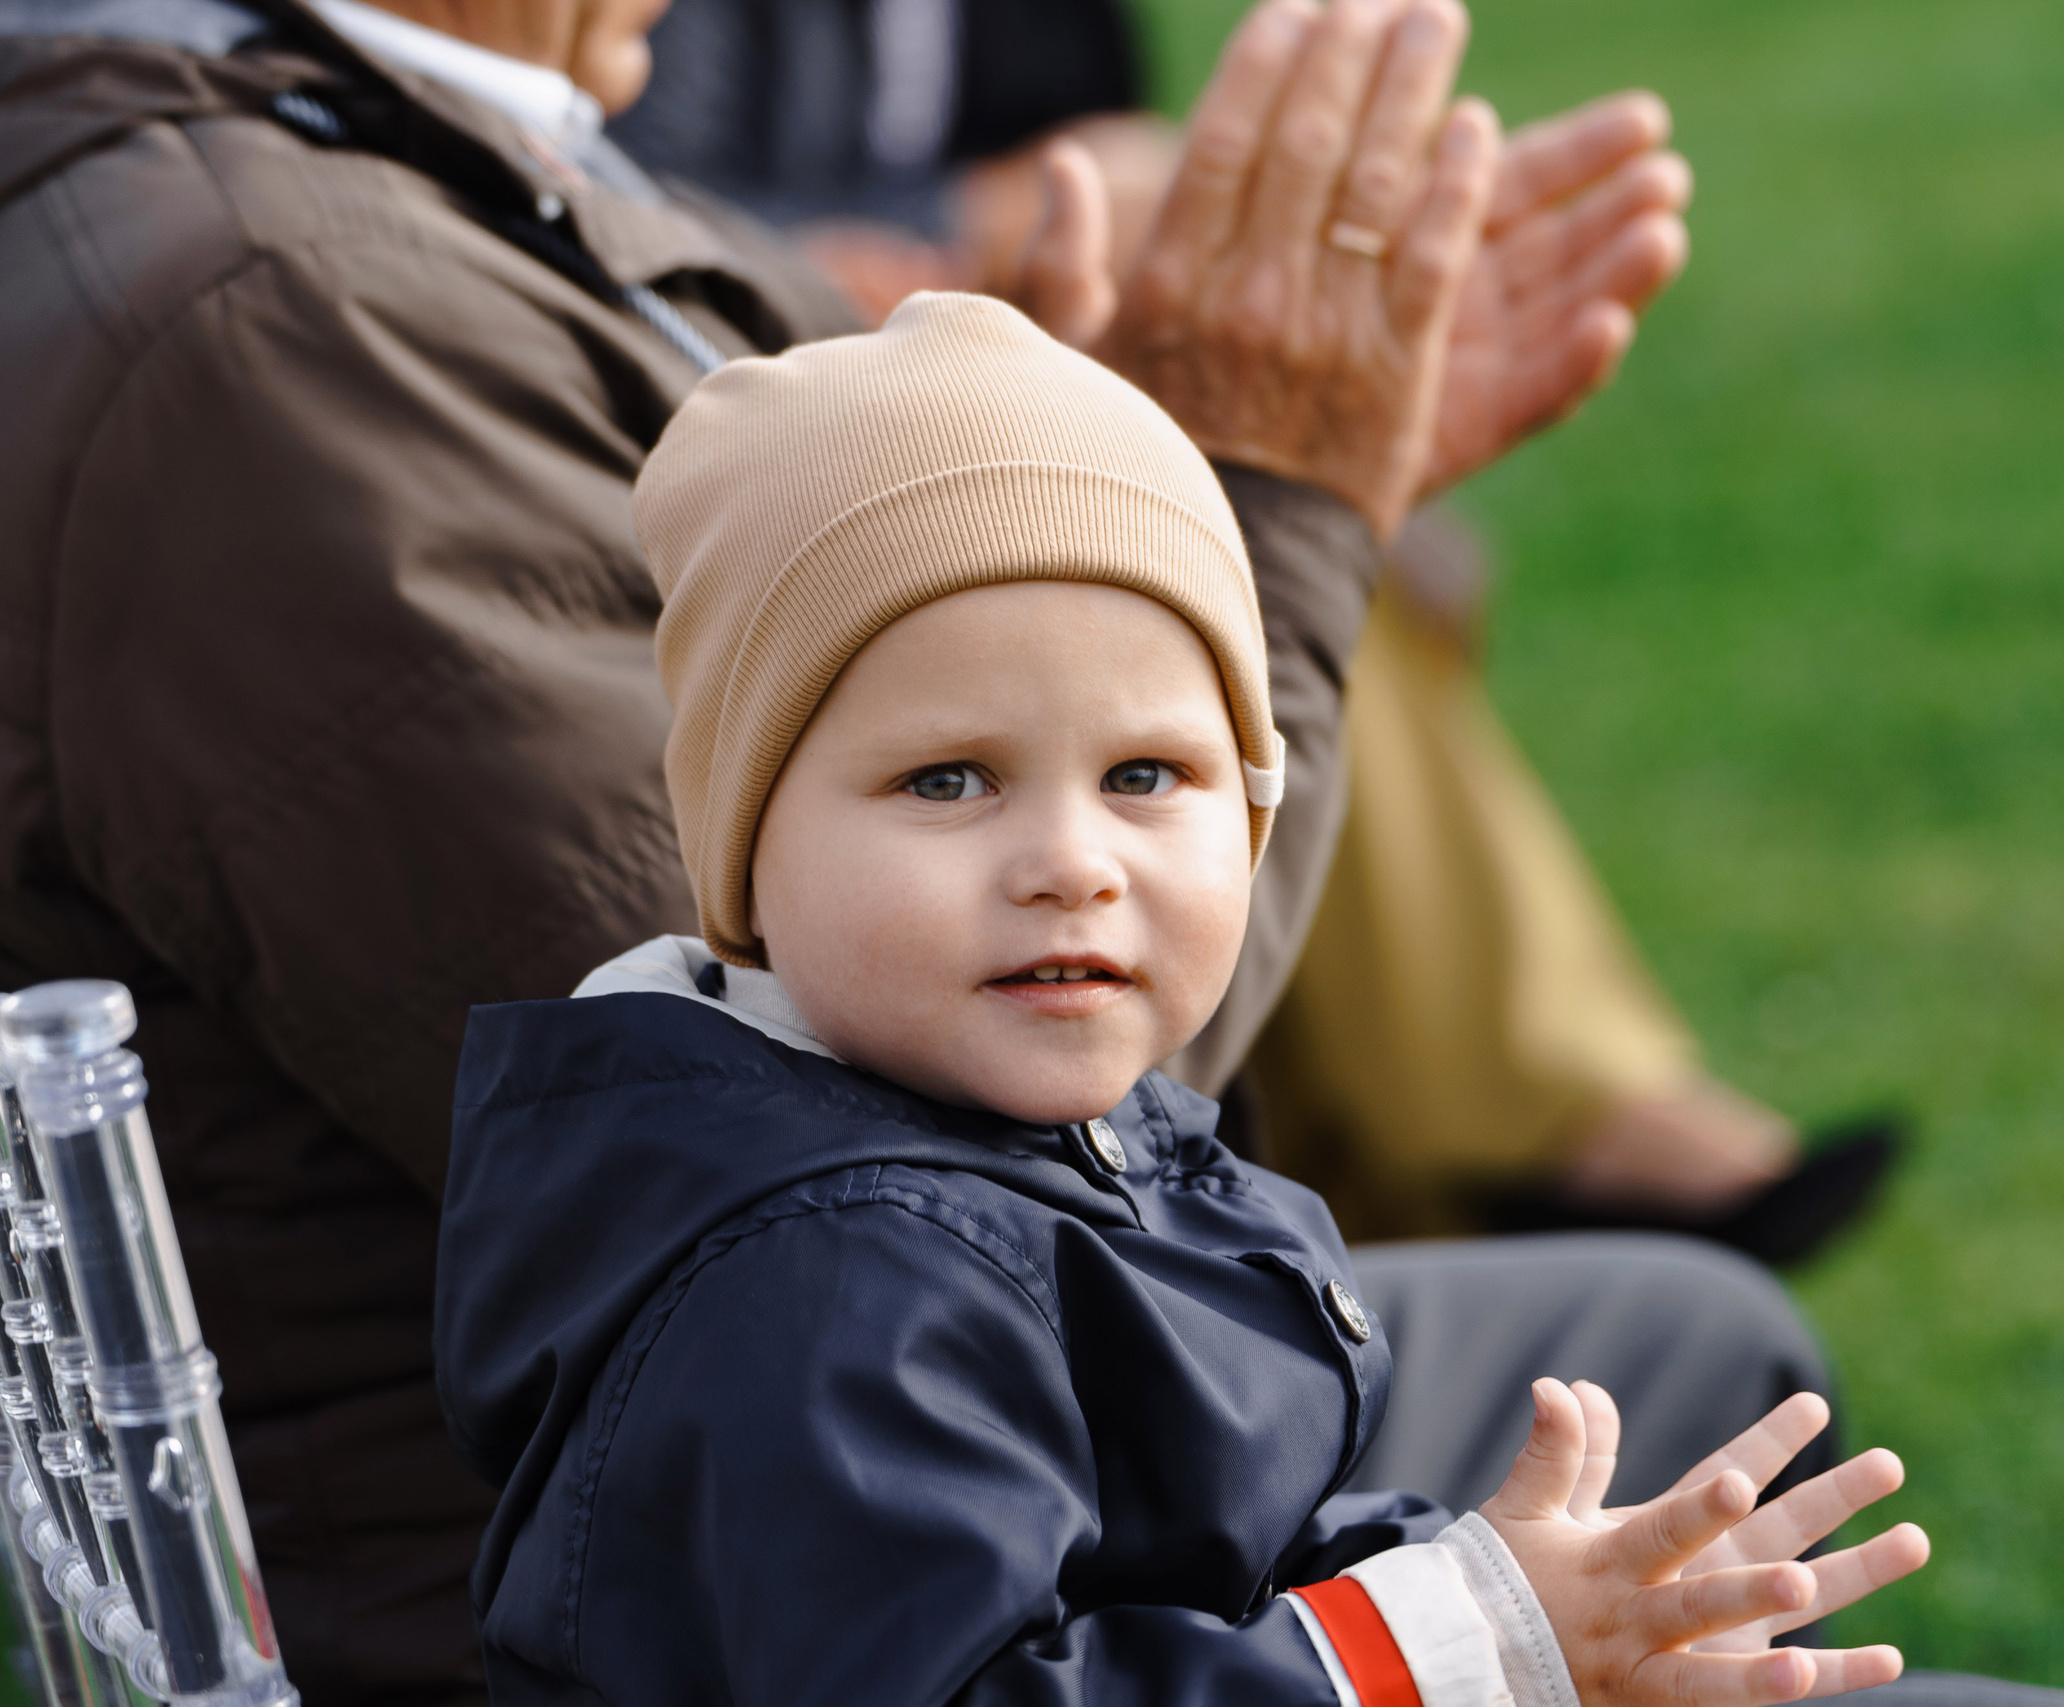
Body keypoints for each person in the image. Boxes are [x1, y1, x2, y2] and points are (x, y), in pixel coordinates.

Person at [0, 0, 1872, 1697]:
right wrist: (1260, 499)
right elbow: (916, 1107)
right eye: (961, 779)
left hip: (631, 1494)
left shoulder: (111, 188)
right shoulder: (259, 315)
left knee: (1670, 1357)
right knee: (1693, 1355)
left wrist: (1052, 520)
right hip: (690, 1551)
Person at [437, 291, 1962, 1707]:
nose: (1070, 861)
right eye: (946, 777)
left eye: (1145, 774)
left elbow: (1223, 1537)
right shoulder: (812, 1284)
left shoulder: (1062, 1141)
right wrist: (1448, 1637)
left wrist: (1531, 1584)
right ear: (745, 847)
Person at [612, 0, 1899, 1259]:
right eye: (942, 784)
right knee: (1230, 536)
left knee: (1273, 536)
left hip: (1006, 378)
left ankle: (1520, 1132)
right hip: (814, 438)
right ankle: (1538, 1125)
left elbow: (1082, 131)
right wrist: (964, 235)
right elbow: (616, 190)